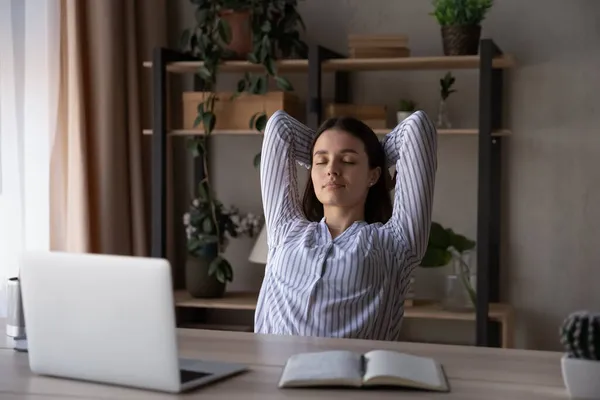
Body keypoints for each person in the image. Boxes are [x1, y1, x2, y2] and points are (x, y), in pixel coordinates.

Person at [254, 109, 437, 341]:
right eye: (321, 161)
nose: (331, 170)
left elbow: (417, 127)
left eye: (348, 161)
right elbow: (280, 126)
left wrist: (376, 155)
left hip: (349, 375)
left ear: (373, 176)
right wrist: (334, 146)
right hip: (271, 374)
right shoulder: (285, 230)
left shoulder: (396, 243)